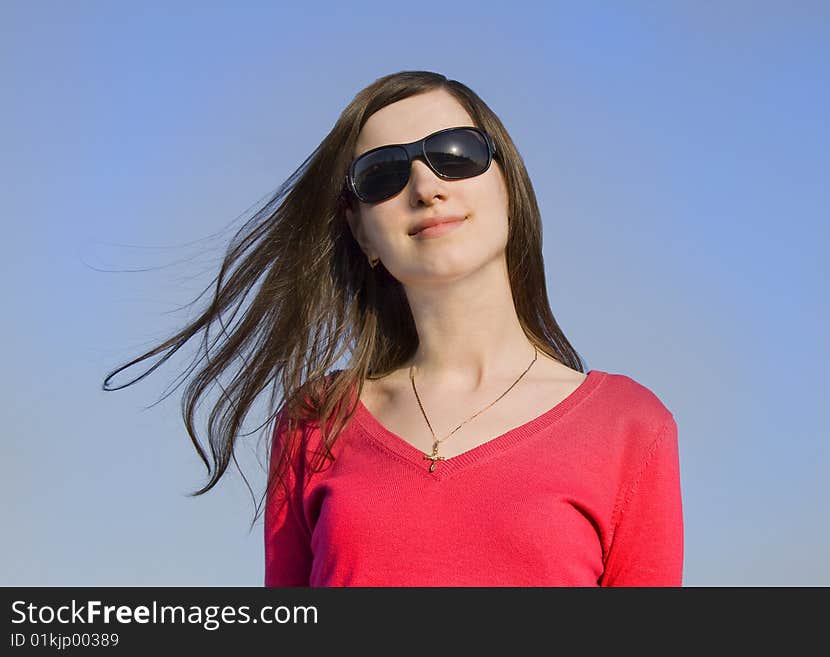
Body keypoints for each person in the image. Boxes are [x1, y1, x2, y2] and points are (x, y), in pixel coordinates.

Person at [104, 70, 683, 587]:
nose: (426, 187)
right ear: (360, 233)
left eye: (456, 153)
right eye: (381, 174)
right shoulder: (315, 420)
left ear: (508, 184)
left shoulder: (627, 425)